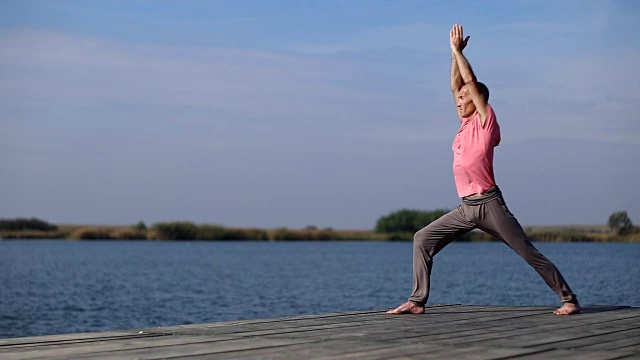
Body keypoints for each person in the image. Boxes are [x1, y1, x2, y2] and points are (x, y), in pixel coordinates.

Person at [387, 24, 581, 316]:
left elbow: (469, 81)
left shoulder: (486, 121)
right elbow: (456, 84)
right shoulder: (464, 126)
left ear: (479, 101)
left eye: (466, 98)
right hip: (466, 208)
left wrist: (457, 52)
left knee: (527, 251)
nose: (459, 100)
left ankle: (569, 299)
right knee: (422, 238)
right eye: (459, 98)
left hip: (490, 204)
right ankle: (417, 301)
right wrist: (453, 55)